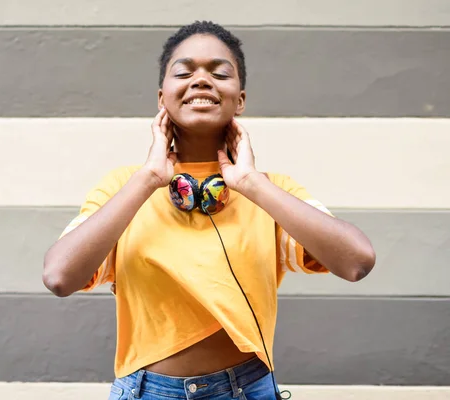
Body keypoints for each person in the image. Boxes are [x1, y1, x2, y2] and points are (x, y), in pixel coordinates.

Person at [43, 21, 376, 400]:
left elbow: (357, 261)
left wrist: (251, 183)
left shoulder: (270, 191)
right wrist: (149, 177)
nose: (201, 81)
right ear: (161, 97)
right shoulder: (125, 188)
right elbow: (59, 276)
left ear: (241, 98)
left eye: (219, 73)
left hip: (248, 389)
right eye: (184, 72)